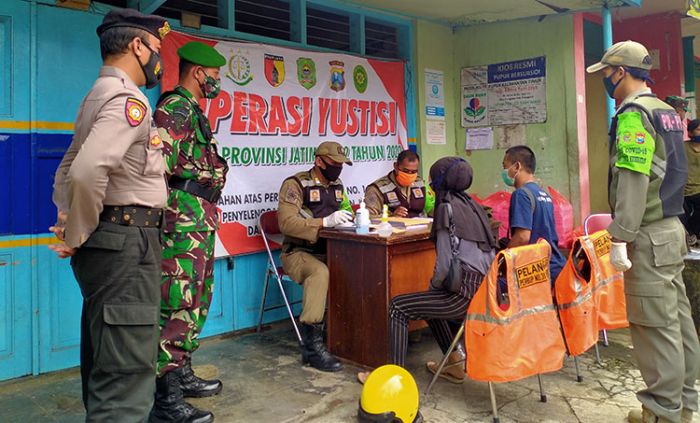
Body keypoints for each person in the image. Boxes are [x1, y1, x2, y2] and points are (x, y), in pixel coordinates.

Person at [48, 8, 170, 422]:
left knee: (106, 362)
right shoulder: (128, 100)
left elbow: (67, 168)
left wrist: (70, 219)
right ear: (137, 45)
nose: (159, 59)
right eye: (156, 47)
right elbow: (85, 170)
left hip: (111, 243)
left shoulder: (95, 95)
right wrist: (77, 234)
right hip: (127, 247)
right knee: (124, 381)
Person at [587, 40, 700, 423]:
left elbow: (634, 176)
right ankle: (683, 404)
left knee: (654, 325)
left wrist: (620, 234)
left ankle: (661, 413)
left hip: (648, 232)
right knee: (678, 321)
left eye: (605, 73)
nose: (604, 79)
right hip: (672, 225)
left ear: (620, 71)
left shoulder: (634, 114)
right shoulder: (668, 111)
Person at [357, 157, 496, 384]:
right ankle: (454, 363)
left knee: (398, 307)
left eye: (432, 178)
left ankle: (393, 378)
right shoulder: (472, 206)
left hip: (464, 295)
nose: (428, 182)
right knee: (430, 303)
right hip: (483, 292)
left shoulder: (446, 210)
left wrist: (433, 289)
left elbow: (444, 264)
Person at [149, 41, 229, 423]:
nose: (217, 83)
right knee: (177, 301)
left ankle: (181, 374)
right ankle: (165, 400)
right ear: (198, 73)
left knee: (196, 298)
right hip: (182, 221)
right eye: (214, 76)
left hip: (200, 219)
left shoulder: (193, 110)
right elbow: (157, 167)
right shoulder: (174, 109)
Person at [278, 141, 354, 372]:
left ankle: (346, 334)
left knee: (358, 268)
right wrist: (323, 223)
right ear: (319, 161)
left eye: (341, 165)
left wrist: (351, 218)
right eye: (334, 164)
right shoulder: (295, 184)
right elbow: (286, 223)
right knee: (320, 273)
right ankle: (312, 347)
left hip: (330, 250)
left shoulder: (337, 184)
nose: (338, 169)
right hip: (299, 252)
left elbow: (346, 210)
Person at [500, 145, 566, 283]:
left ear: (517, 166)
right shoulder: (544, 195)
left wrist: (502, 259)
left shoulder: (521, 194)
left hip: (535, 269)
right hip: (555, 264)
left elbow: (522, 237)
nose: (504, 172)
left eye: (505, 167)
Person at [363, 150, 435, 218]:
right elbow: (368, 216)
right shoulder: (377, 188)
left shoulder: (419, 182)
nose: (409, 175)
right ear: (396, 166)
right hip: (391, 229)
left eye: (414, 172)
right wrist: (391, 216)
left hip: (420, 228)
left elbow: (430, 208)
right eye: (406, 171)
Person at [682, 119, 700, 247]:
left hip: (699, 189)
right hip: (683, 188)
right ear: (690, 132)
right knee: (683, 216)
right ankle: (687, 236)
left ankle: (693, 232)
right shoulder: (683, 147)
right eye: (698, 130)